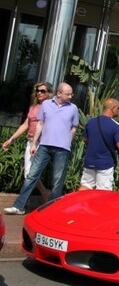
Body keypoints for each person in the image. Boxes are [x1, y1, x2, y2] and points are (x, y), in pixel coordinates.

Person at [4, 83, 79, 215]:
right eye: (68, 93)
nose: (71, 96)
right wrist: (33, 144)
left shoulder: (73, 108)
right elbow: (40, 123)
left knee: (57, 180)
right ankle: (19, 206)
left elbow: (74, 128)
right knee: (32, 175)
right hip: (44, 145)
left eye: (71, 93)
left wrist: (68, 142)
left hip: (62, 148)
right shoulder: (46, 105)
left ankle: (53, 210)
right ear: (59, 93)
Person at [2, 81, 54, 202]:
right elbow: (26, 124)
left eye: (43, 91)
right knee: (28, 173)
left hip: (41, 143)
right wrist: (11, 139)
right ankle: (46, 195)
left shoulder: (50, 107)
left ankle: (26, 201)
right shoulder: (33, 107)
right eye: (38, 91)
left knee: (31, 174)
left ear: (49, 93)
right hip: (30, 142)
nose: (39, 93)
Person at [79, 98, 119, 191]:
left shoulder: (91, 122)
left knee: (85, 186)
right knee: (103, 191)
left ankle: (76, 204)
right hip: (105, 163)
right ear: (113, 108)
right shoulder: (116, 126)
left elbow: (85, 139)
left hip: (89, 161)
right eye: (118, 108)